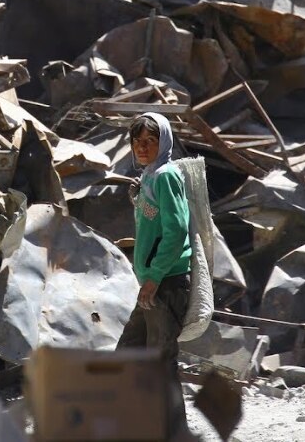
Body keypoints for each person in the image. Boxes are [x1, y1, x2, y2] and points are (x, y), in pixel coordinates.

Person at [116, 112, 193, 431]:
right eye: (137, 141)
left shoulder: (165, 176)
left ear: (164, 142)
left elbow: (176, 231)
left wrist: (154, 277)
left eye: (150, 140)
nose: (143, 147)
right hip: (154, 281)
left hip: (166, 282)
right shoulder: (150, 175)